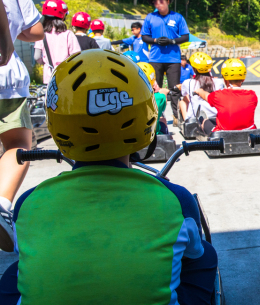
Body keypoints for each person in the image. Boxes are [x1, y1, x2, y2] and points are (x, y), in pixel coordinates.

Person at [0, 49, 217, 304]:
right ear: (146, 118)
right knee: (205, 255)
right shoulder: (177, 201)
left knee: (15, 271)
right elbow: (194, 254)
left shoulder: (28, 203)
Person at [0, 0, 44, 252]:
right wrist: (11, 32)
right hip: (6, 80)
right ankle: (2, 204)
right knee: (16, 145)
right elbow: (36, 31)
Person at [141, 0, 190, 127]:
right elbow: (144, 36)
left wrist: (171, 41)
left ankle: (176, 116)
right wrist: (156, 40)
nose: (158, 3)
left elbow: (185, 36)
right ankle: (157, 116)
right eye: (155, 1)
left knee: (174, 89)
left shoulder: (178, 17)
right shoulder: (150, 17)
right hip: (155, 58)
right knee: (155, 88)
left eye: (161, 0)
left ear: (168, 1)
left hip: (173, 58)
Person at [195, 58, 257, 135]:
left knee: (204, 121)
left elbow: (205, 96)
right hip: (248, 133)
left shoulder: (218, 95)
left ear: (225, 79)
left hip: (224, 135)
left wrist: (199, 91)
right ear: (243, 79)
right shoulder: (252, 95)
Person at [33, 0, 82, 84]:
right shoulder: (68, 34)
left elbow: (37, 57)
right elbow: (77, 56)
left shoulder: (41, 34)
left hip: (49, 77)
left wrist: (46, 63)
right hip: (66, 76)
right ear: (62, 16)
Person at [179, 52, 224, 125]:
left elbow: (184, 93)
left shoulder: (188, 83)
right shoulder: (218, 82)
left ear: (194, 68)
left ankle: (187, 123)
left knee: (182, 101)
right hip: (215, 116)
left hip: (197, 119)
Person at [138, 61, 168, 135]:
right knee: (163, 119)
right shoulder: (160, 97)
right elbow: (163, 105)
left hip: (137, 136)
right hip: (154, 135)